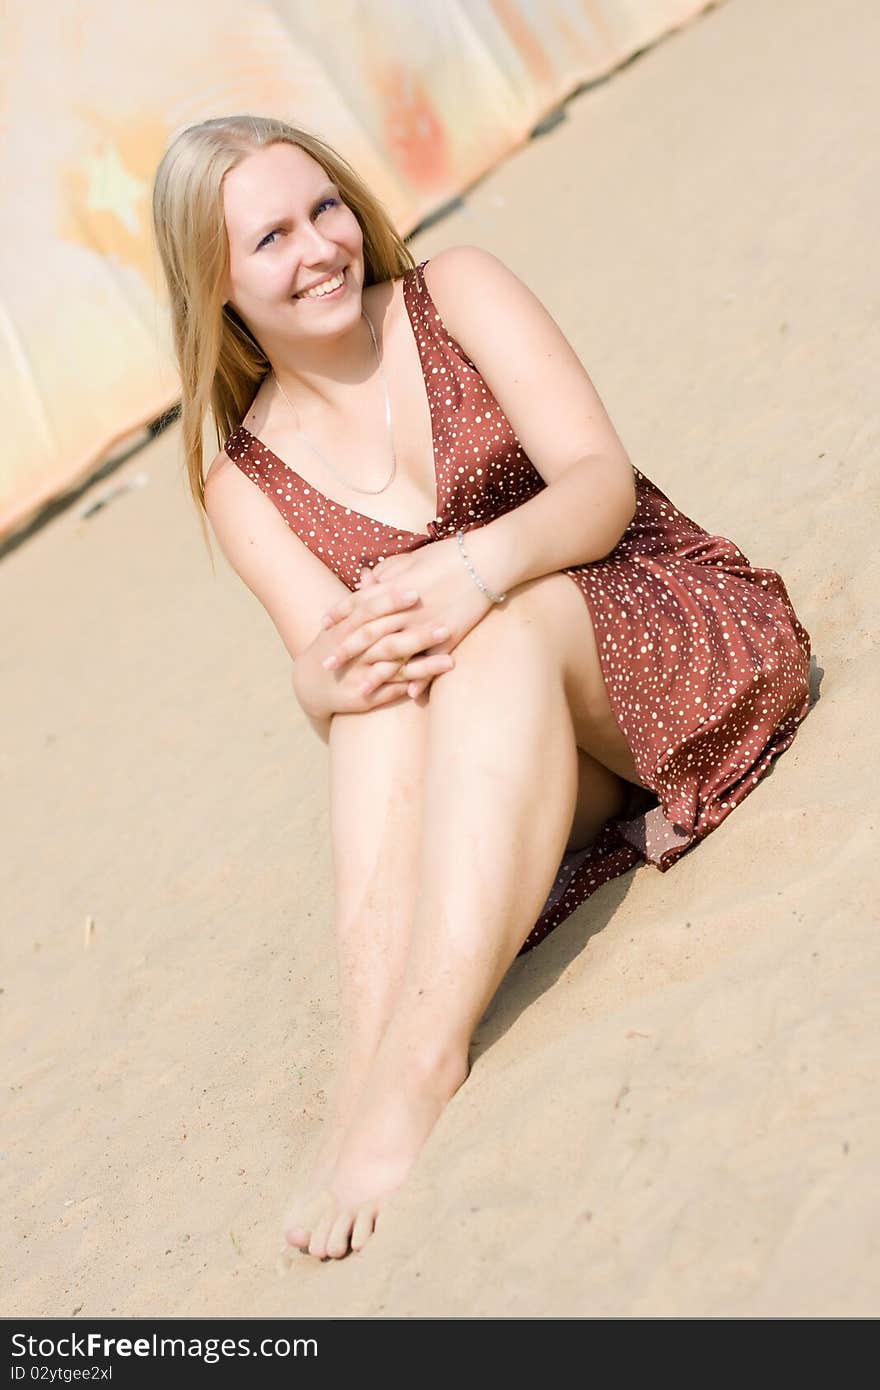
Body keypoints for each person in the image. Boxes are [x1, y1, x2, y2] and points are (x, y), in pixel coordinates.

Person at [150, 114, 812, 1262]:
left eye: (325, 208)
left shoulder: (453, 291)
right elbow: (331, 684)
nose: (319, 247)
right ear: (215, 285)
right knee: (372, 685)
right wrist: (324, 677)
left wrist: (470, 571)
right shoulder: (240, 484)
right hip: (535, 755)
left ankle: (419, 1062)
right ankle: (369, 1055)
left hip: (664, 624)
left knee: (488, 634)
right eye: (271, 237)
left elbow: (599, 485)